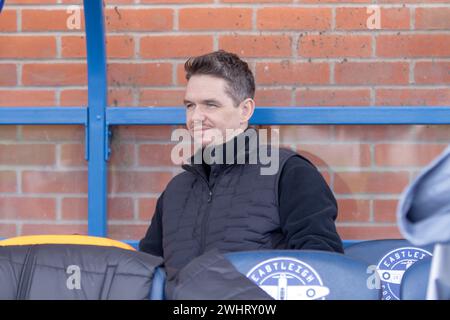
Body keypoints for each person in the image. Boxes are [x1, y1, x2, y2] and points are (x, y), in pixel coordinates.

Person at [139, 50, 343, 284]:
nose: (195, 117)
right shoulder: (176, 190)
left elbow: (323, 271)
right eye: (189, 105)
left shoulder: (288, 172)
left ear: (245, 110)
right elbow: (146, 274)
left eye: (210, 105)